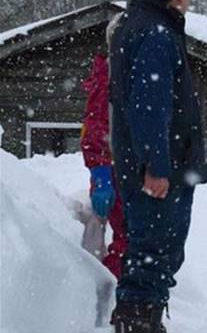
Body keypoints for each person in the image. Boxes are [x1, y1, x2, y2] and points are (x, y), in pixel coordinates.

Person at [108, 0, 207, 333]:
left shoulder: (135, 25)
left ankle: (141, 319)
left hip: (147, 162)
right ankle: (138, 323)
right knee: (154, 252)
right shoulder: (155, 33)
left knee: (150, 251)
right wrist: (157, 166)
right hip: (158, 170)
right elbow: (149, 105)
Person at [79, 15, 127, 279]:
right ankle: (112, 292)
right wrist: (100, 174)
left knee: (129, 239)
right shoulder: (109, 80)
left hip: (126, 170)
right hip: (114, 171)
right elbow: (94, 129)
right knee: (127, 241)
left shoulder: (126, 77)